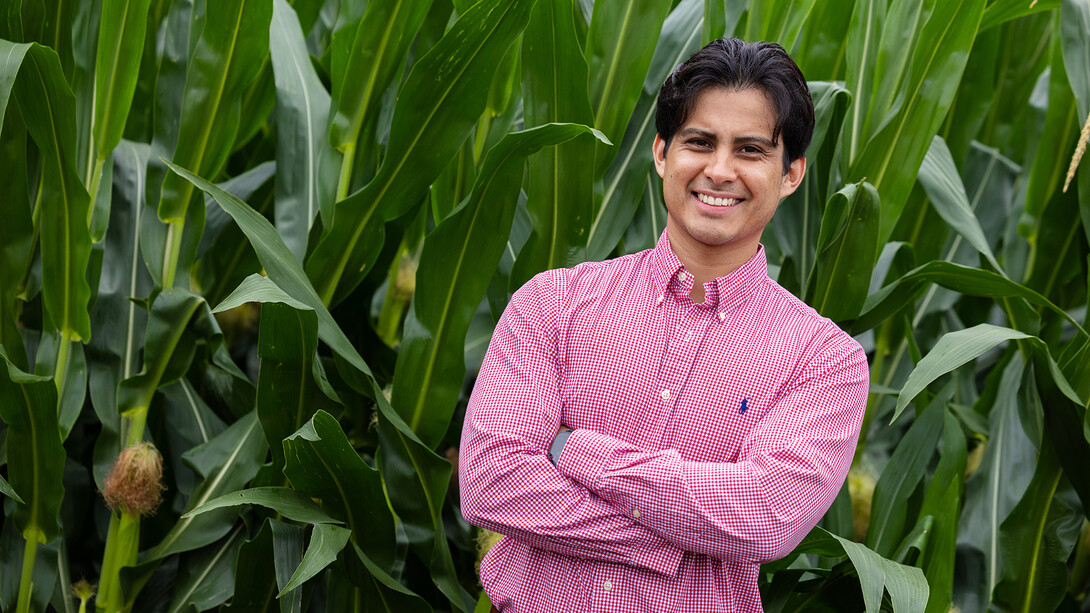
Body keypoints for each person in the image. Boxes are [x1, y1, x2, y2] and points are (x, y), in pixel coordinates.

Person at [459, 37, 868, 613]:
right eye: (699, 142)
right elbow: (488, 482)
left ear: (792, 173)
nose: (719, 170)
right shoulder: (553, 304)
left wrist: (572, 451)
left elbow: (764, 521)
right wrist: (675, 542)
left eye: (750, 150)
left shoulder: (824, 360)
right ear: (660, 154)